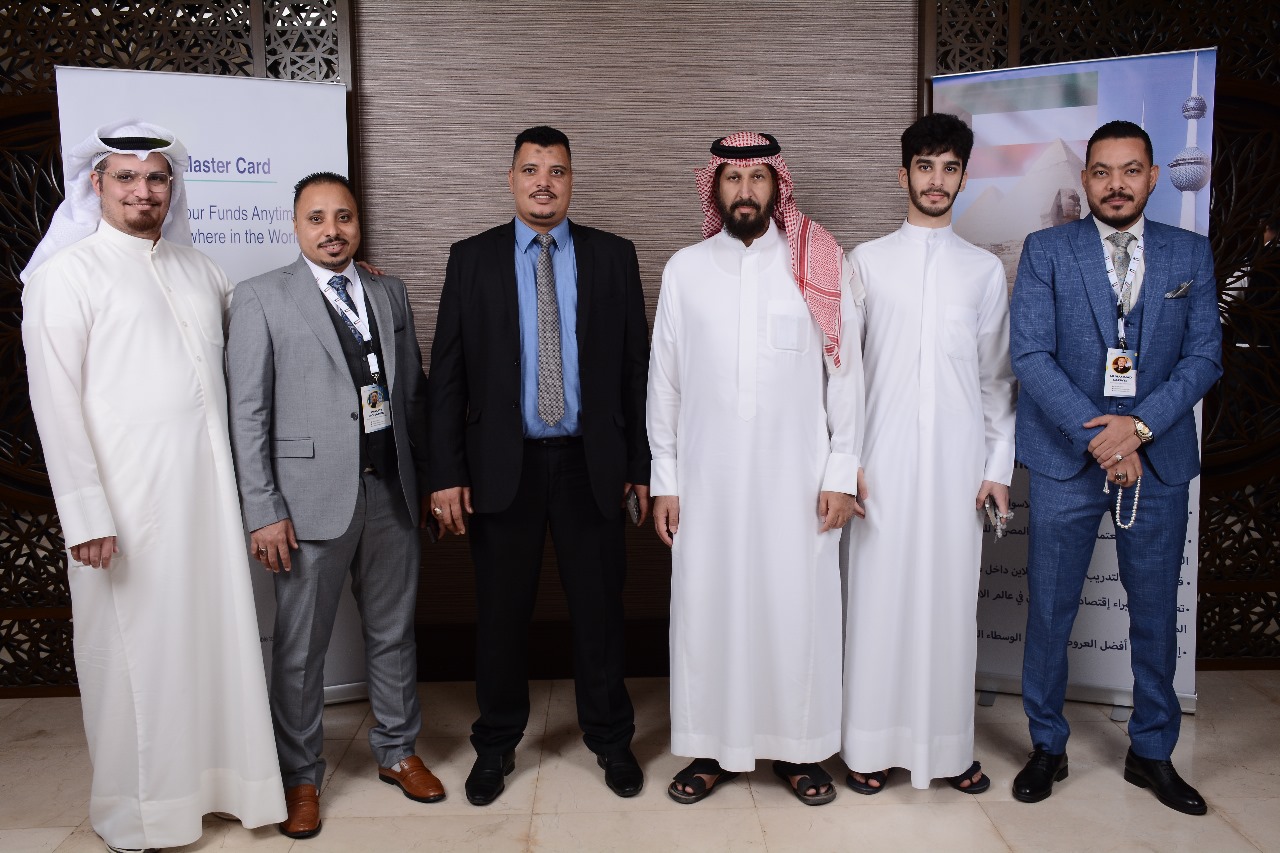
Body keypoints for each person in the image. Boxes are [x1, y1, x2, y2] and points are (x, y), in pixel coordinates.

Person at [20, 119, 286, 852]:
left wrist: (350, 286)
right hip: (125, 513)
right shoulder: (65, 276)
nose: (143, 190)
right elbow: (54, 403)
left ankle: (222, 790)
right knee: (135, 660)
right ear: (96, 184)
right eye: (127, 177)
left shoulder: (203, 270)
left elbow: (264, 345)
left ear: (173, 186)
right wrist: (85, 514)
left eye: (157, 177)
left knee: (212, 647)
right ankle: (138, 813)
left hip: (208, 503)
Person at [426, 126, 650, 805]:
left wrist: (640, 465)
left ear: (572, 180)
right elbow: (448, 376)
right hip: (503, 467)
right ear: (512, 179)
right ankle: (495, 744)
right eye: (531, 169)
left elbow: (636, 370)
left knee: (600, 611)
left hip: (591, 463)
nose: (543, 182)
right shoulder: (472, 258)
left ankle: (610, 738)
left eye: (556, 170)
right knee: (500, 616)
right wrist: (446, 473)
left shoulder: (613, 256)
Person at [1010, 120, 1222, 815]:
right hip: (1066, 460)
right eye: (1101, 171)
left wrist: (1138, 427)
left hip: (1158, 460)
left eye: (1131, 170)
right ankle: (1048, 744)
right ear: (1085, 179)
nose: (1116, 184)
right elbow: (1031, 354)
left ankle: (1151, 751)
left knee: (1156, 613)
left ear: (1154, 176)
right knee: (1051, 610)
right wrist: (1101, 438)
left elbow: (1204, 358)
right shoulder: (1046, 250)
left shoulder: (1190, 252)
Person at [648, 132, 863, 806]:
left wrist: (841, 472)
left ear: (778, 186)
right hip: (707, 484)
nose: (745, 191)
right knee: (709, 610)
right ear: (714, 187)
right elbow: (665, 383)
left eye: (758, 178)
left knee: (796, 610)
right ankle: (713, 747)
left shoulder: (817, 261)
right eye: (733, 178)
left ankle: (798, 751)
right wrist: (666, 480)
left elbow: (846, 376)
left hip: (797, 483)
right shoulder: (685, 269)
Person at [226, 171, 438, 839]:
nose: (332, 230)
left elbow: (411, 395)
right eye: (316, 218)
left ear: (358, 223)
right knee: (300, 647)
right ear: (295, 225)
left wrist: (426, 480)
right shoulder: (260, 297)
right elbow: (247, 413)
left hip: (390, 493)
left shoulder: (387, 290)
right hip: (306, 502)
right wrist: (263, 509)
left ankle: (397, 750)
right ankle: (299, 775)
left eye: (343, 216)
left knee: (393, 632)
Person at [840, 113, 1016, 796]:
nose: (936, 180)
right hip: (878, 464)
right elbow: (844, 374)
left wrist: (996, 468)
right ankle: (868, 746)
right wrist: (845, 462)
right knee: (877, 604)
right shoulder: (866, 262)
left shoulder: (983, 270)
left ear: (963, 178)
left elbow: (996, 379)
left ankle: (947, 750)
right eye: (924, 166)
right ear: (903, 175)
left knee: (948, 607)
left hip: (956, 467)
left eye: (949, 168)